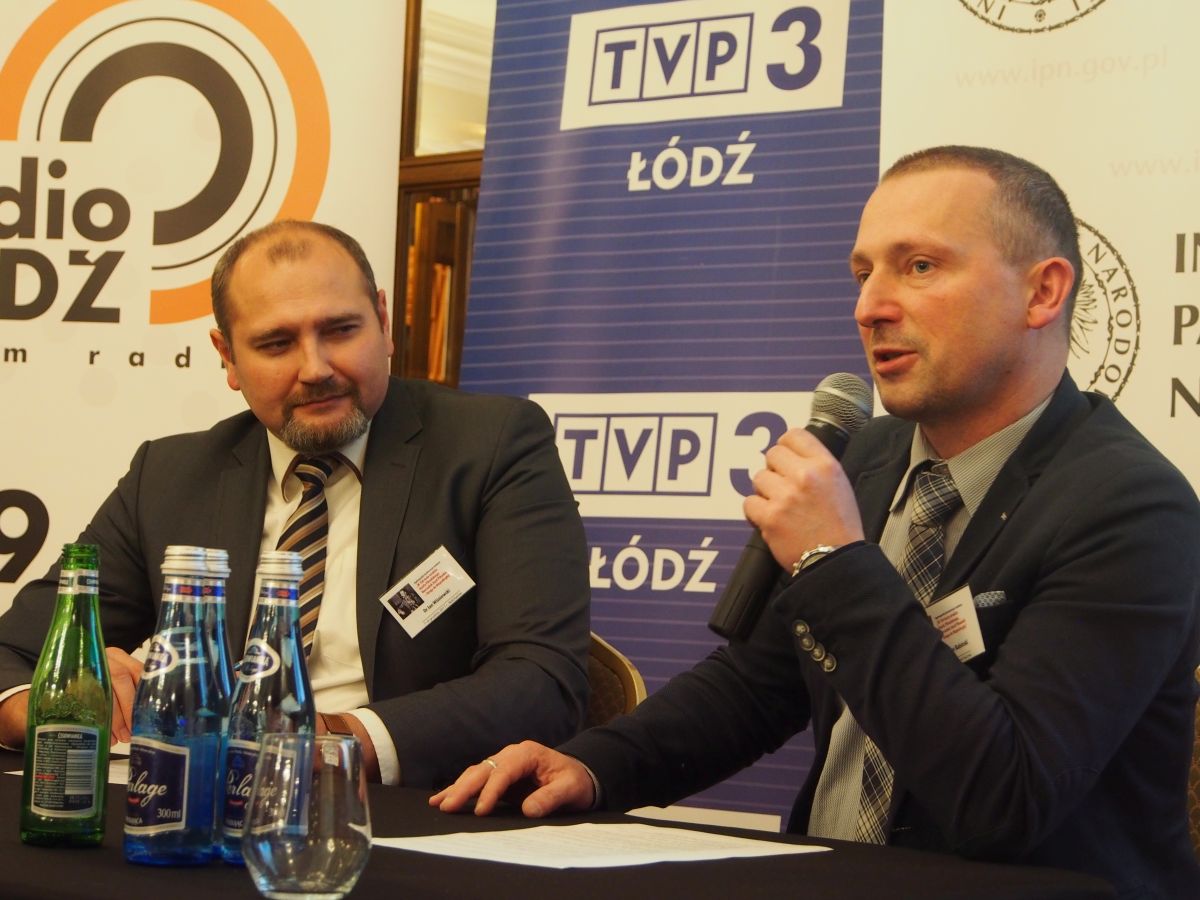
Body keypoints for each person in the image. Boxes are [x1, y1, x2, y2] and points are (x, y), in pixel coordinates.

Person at [430, 147, 1200, 898]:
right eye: (863, 274)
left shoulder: (1132, 508)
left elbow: (1005, 797)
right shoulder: (869, 456)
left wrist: (834, 560)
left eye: (919, 266)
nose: (870, 308)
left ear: (1042, 293)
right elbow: (757, 686)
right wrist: (593, 766)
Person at [0, 219, 591, 788]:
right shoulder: (169, 475)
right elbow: (14, 653)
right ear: (227, 356)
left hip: (405, 807)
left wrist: (331, 742)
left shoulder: (491, 446)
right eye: (277, 343)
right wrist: (56, 702)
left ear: (384, 323)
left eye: (341, 330)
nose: (316, 368)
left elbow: (542, 681)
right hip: (196, 804)